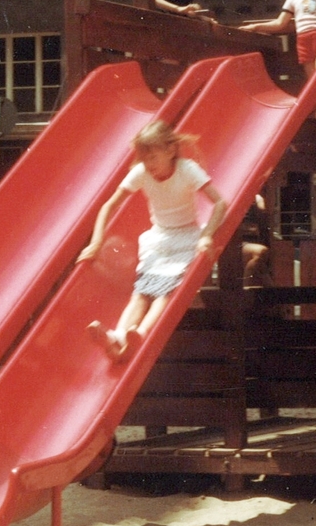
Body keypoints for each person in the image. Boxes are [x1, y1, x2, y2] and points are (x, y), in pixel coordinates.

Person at [81, 120, 227, 361]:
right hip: (159, 239)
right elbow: (109, 205)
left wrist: (206, 235)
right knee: (141, 293)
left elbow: (220, 204)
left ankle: (139, 334)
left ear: (170, 150)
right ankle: (116, 338)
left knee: (164, 293)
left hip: (186, 238)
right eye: (145, 160)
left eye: (154, 158)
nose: (150, 166)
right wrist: (96, 243)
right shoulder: (141, 172)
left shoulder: (187, 169)